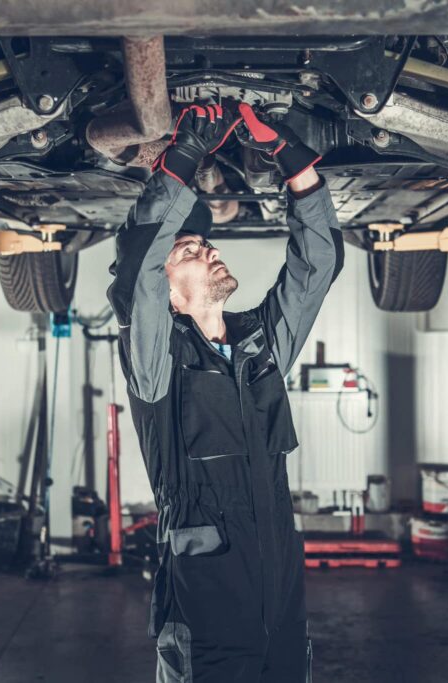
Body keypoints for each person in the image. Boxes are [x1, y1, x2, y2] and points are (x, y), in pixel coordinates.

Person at [107, 100, 344, 682]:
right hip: (206, 625)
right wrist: (184, 155)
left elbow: (318, 265)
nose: (208, 249)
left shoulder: (260, 347)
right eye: (188, 251)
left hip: (282, 611)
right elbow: (137, 274)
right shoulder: (158, 367)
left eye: (203, 245)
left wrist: (293, 161)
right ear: (171, 299)